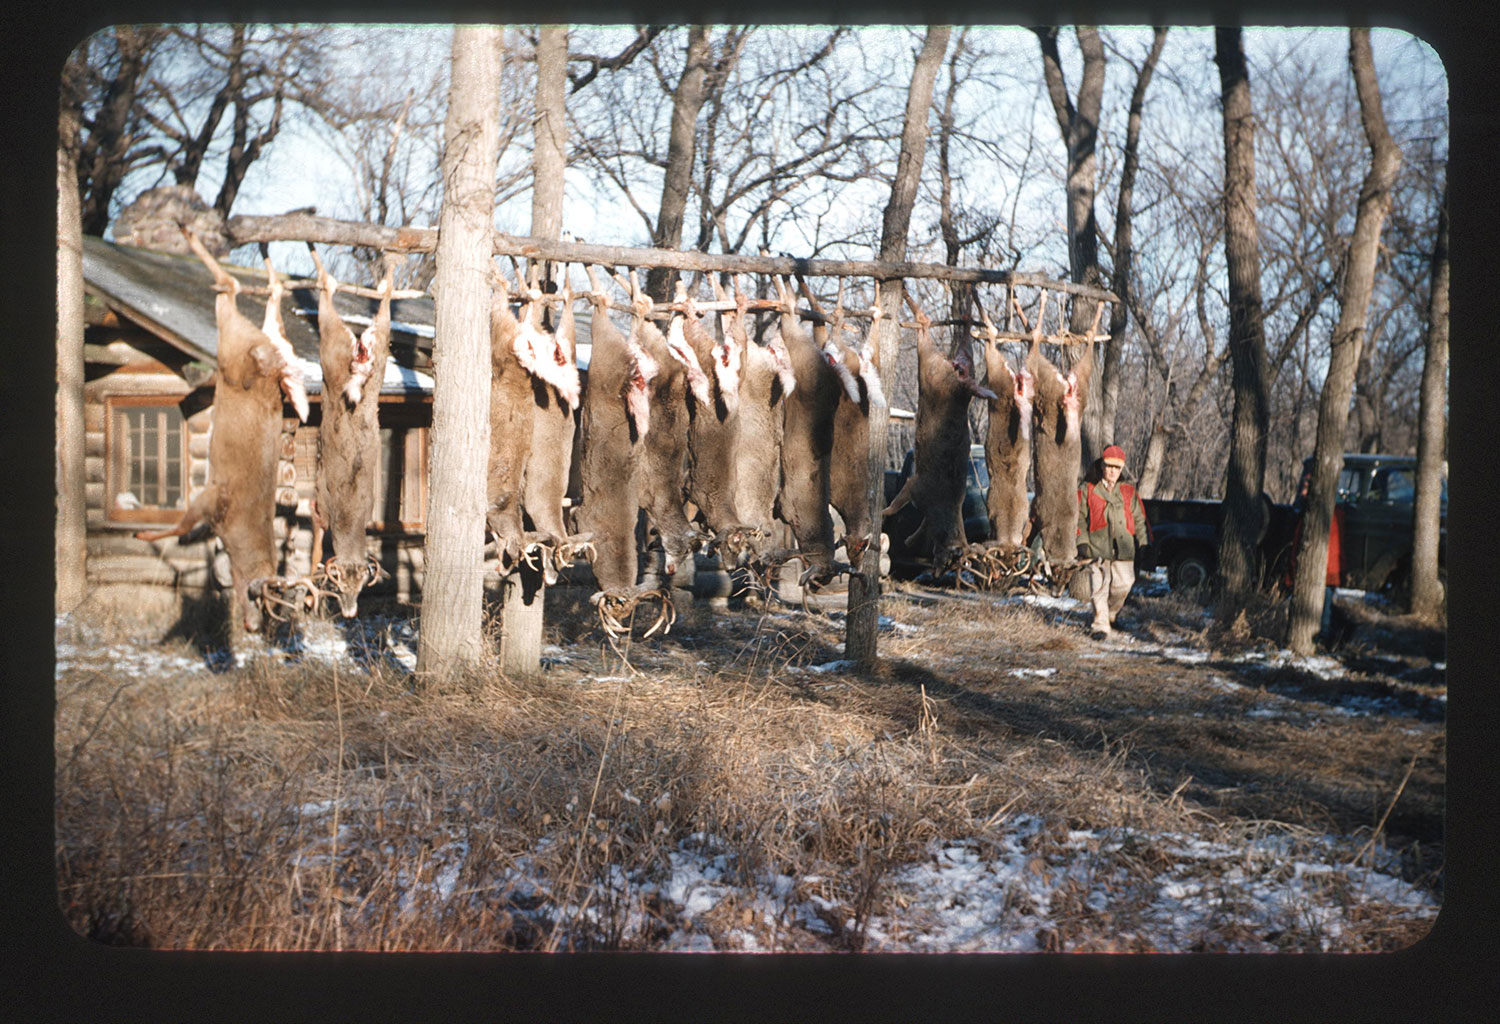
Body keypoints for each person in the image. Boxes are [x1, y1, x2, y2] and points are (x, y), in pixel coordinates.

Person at [1076, 445, 1151, 640]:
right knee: (1099, 587)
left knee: (1124, 584)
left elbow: (1140, 519)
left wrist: (1144, 544)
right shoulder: (1088, 489)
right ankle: (1100, 625)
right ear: (1102, 466)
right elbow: (1078, 518)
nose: (1112, 472)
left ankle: (1110, 614)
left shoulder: (1128, 491)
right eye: (1109, 466)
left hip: (1124, 549)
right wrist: (1082, 542)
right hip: (1096, 548)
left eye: (1117, 468)